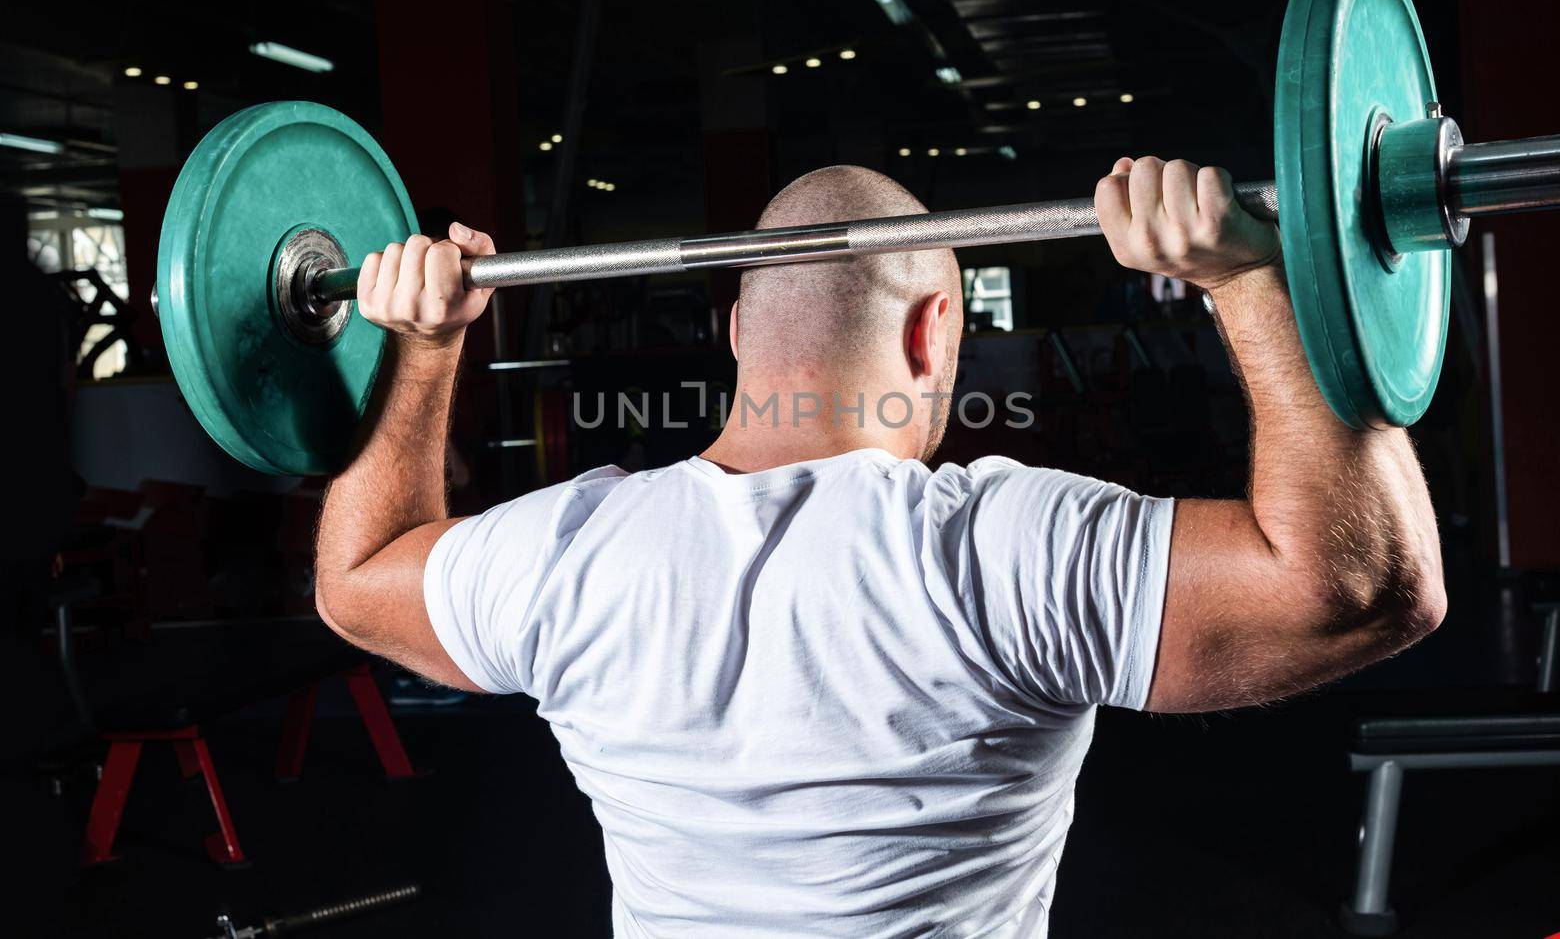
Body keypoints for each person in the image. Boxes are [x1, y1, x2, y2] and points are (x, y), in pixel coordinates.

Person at [313, 158, 1445, 937]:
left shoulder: (568, 553)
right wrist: (1254, 283)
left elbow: (358, 581)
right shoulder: (997, 550)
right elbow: (1359, 587)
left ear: (738, 330)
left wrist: (420, 348)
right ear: (934, 329)